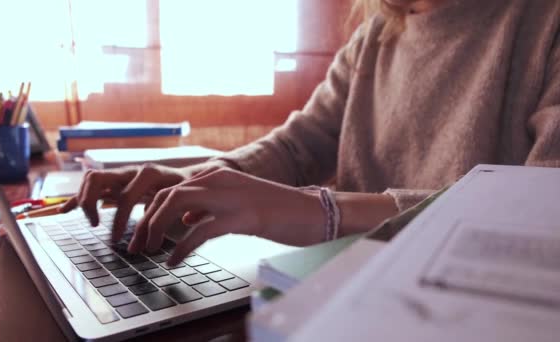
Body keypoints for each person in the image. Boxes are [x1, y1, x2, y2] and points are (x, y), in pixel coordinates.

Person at [62, 0, 560, 266]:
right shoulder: (376, 35)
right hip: (351, 287)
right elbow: (299, 144)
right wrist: (196, 177)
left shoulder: (545, 23)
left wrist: (323, 211)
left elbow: (544, 210)